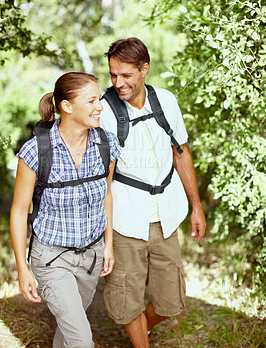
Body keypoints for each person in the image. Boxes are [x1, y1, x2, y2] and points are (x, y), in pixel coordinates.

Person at [100, 37, 206, 348]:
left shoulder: (166, 101)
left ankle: (141, 327)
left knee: (170, 299)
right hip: (125, 217)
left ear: (144, 69)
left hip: (167, 213)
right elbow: (104, 177)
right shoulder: (104, 111)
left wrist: (196, 206)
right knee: (125, 296)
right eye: (113, 75)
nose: (119, 83)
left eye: (126, 75)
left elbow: (181, 152)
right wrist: (105, 233)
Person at [10, 72, 121, 348]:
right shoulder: (36, 151)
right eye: (92, 100)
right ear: (67, 106)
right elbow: (19, 212)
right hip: (51, 259)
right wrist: (22, 269)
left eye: (99, 99)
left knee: (71, 329)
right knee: (82, 339)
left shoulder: (106, 144)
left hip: (91, 257)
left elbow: (106, 195)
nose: (100, 107)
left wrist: (108, 244)